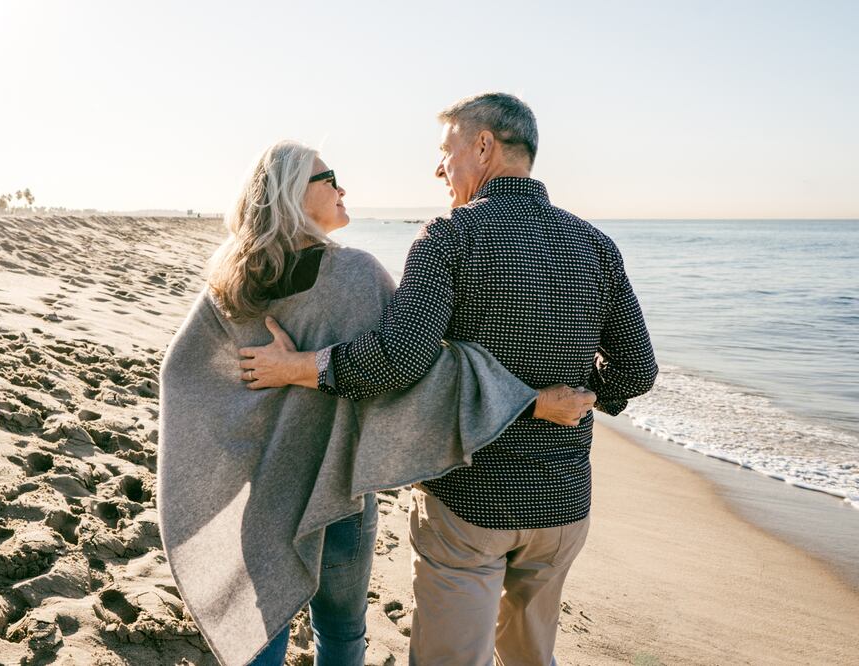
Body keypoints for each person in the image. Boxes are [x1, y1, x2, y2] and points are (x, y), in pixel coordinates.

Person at [239, 93, 658, 665]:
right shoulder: (595, 245)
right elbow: (639, 370)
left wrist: (301, 367)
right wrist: (584, 396)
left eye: (447, 150)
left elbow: (398, 360)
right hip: (563, 503)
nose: (440, 167)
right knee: (532, 657)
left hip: (471, 502)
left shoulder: (451, 237)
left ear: (483, 146)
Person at [158, 140, 594, 666]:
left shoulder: (230, 281)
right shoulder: (357, 274)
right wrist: (531, 402)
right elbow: (420, 371)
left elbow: (182, 377)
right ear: (293, 194)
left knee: (261, 631)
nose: (342, 188)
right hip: (338, 486)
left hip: (264, 488)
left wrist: (251, 425)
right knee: (341, 634)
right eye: (329, 178)